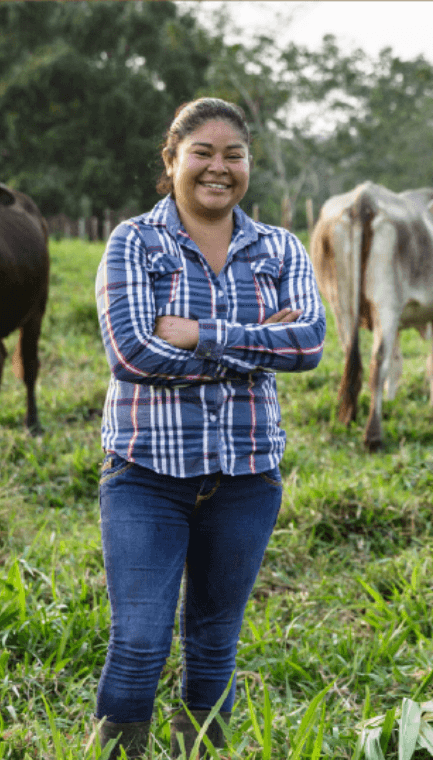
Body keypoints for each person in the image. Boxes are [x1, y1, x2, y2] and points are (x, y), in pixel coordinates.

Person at [93, 97, 325, 758]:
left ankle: (201, 752)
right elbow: (133, 355)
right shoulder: (135, 241)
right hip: (147, 475)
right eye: (202, 152)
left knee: (216, 636)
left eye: (234, 154)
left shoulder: (278, 247)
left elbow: (308, 345)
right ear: (171, 161)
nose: (218, 168)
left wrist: (197, 335)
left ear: (248, 164)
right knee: (139, 636)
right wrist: (255, 347)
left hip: (247, 477)